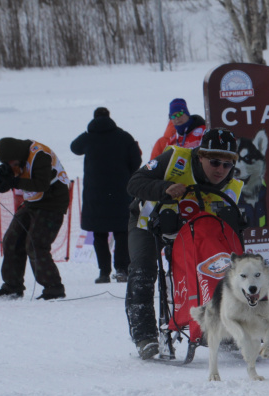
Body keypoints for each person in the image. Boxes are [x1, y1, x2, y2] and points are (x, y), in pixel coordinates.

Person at [124, 128, 244, 359]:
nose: (220, 170)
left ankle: (221, 327)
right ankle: (145, 336)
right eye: (214, 162)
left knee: (216, 267)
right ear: (200, 156)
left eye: (227, 165)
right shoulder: (175, 159)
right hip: (147, 223)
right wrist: (164, 188)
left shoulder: (231, 186)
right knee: (143, 270)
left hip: (189, 231)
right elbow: (134, 183)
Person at [0, 138, 71, 300]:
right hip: (32, 203)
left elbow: (41, 185)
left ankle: (54, 289)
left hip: (52, 203)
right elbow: (16, 180)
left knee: (35, 244)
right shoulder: (18, 159)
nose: (10, 164)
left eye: (10, 162)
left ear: (16, 154)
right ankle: (12, 286)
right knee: (12, 240)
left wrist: (13, 181)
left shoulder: (40, 155)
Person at [70, 107, 143, 283]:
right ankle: (121, 269)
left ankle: (103, 272)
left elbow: (74, 148)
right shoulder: (124, 137)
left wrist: (88, 132)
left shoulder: (89, 137)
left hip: (95, 195)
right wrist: (127, 175)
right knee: (122, 232)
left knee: (99, 234)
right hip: (120, 192)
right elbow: (136, 160)